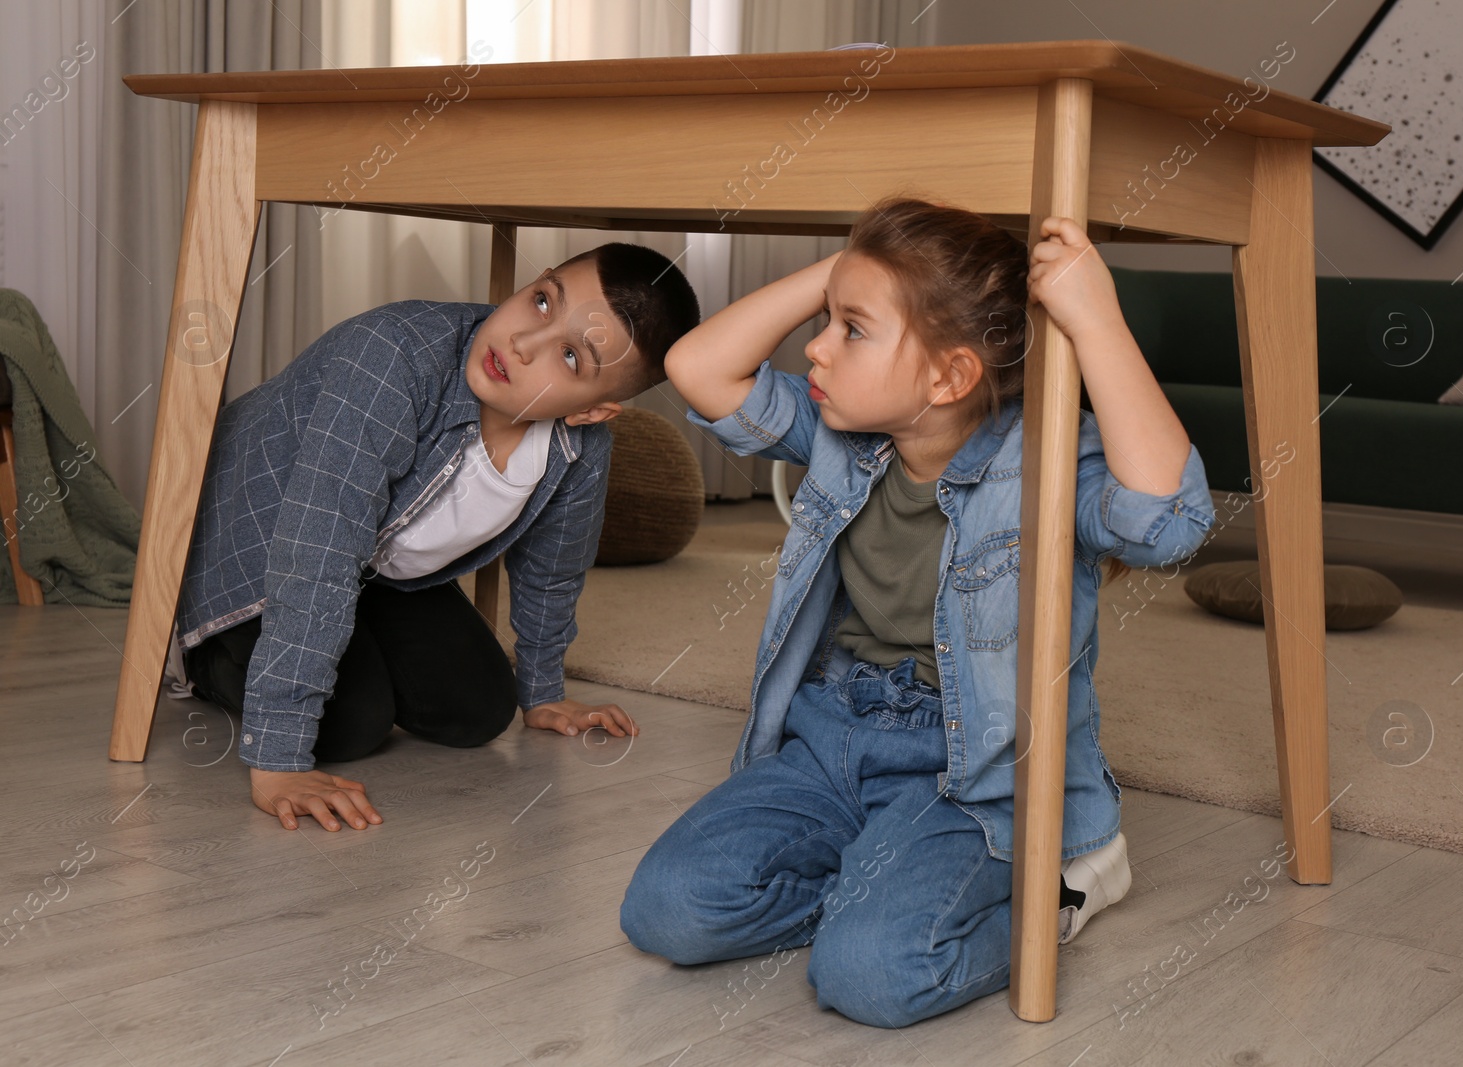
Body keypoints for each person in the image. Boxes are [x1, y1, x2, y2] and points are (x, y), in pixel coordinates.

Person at [619, 200, 1214, 1028]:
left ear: (950, 376)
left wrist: (1095, 316)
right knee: (666, 910)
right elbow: (698, 369)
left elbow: (1168, 520)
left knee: (872, 974)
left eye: (851, 329)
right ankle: (876, 880)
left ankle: (1065, 886)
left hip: (974, 772)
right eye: (828, 322)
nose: (816, 346)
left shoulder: (1040, 459)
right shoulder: (843, 431)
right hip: (833, 733)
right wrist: (849, 275)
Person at [176, 242, 699, 834]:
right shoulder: (393, 357)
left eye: (573, 357)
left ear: (591, 413)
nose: (523, 344)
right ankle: (206, 658)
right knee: (349, 724)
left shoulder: (578, 449)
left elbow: (553, 569)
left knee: (478, 711)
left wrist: (544, 690)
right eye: (543, 301)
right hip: (258, 535)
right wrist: (277, 758)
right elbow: (318, 550)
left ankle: (343, 643)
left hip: (371, 565)